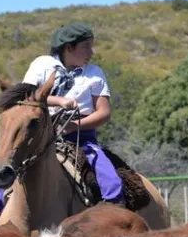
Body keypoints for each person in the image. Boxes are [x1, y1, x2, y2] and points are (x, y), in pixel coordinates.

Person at [21, 21, 124, 206]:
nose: (91, 52)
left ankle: (114, 209)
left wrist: (74, 126)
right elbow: (26, 95)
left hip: (81, 138)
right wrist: (58, 101)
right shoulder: (41, 64)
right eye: (86, 47)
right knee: (6, 172)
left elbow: (104, 113)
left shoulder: (94, 73)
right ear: (69, 47)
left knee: (111, 180)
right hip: (39, 134)